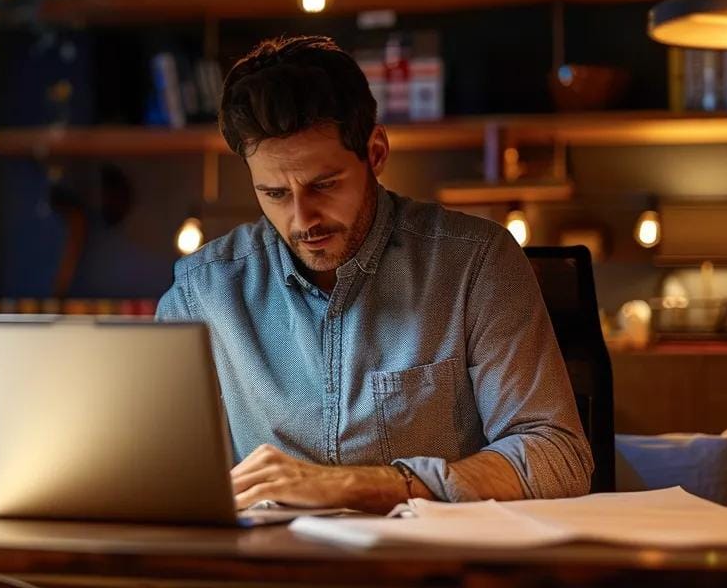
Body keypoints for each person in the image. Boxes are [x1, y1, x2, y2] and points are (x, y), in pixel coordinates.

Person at [156, 36, 592, 513]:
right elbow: (161, 471)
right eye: (275, 193)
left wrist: (365, 486)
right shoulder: (202, 294)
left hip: (435, 565)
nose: (302, 220)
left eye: (324, 185)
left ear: (376, 152)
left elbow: (558, 456)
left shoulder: (477, 263)